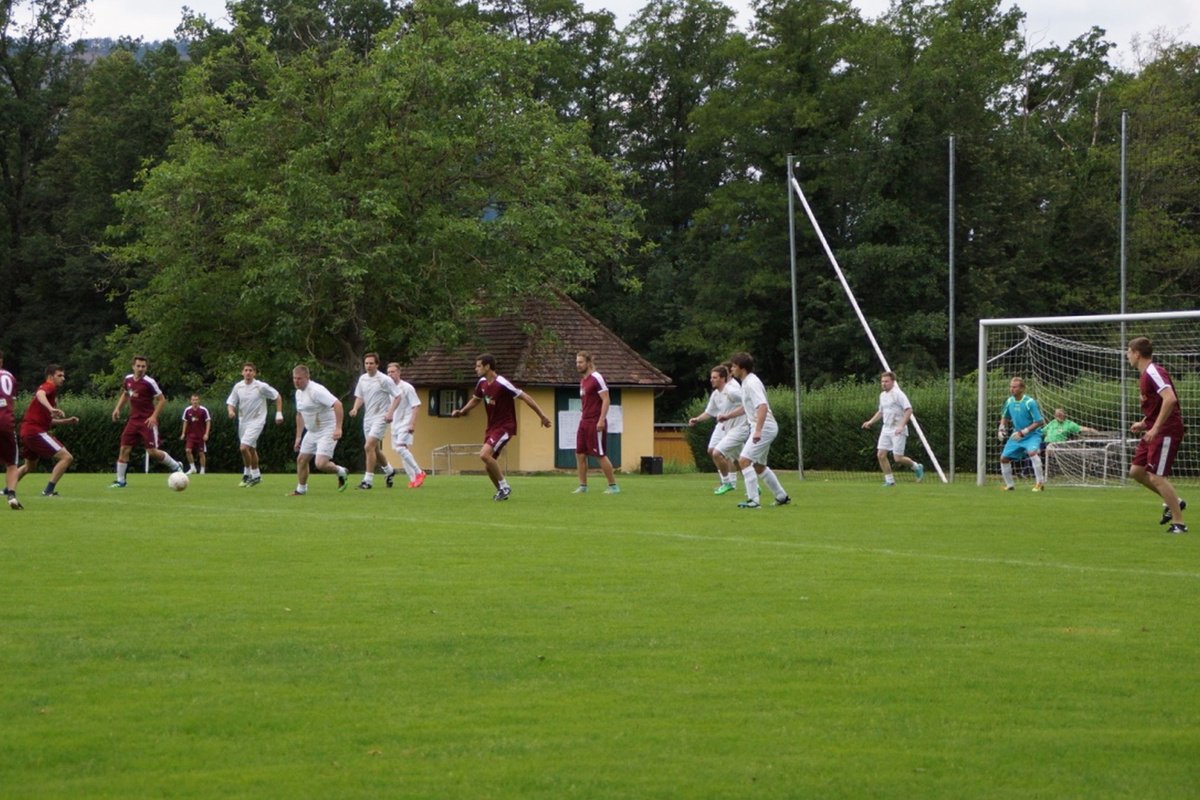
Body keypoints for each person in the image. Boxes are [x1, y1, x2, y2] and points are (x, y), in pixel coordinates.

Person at [449, 353, 551, 501]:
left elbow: (525, 397)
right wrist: (462, 411)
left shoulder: (502, 383)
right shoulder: (482, 383)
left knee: (484, 455)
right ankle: (501, 492)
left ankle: (505, 486)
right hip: (492, 427)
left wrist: (542, 416)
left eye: (478, 366)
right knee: (488, 465)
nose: (475, 369)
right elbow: (476, 400)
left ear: (487, 367)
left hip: (505, 426)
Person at [1126, 337, 1187, 534]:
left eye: (1129, 351)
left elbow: (1170, 399)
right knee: (1137, 471)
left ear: (1137, 354)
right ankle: (1175, 501)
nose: (1127, 355)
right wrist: (1144, 423)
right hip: (1154, 429)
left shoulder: (1154, 371)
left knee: (1156, 476)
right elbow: (1158, 406)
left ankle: (1179, 523)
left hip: (1165, 430)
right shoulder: (1145, 375)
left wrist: (1155, 428)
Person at [720, 352, 791, 509]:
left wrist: (758, 430)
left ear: (742, 368)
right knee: (759, 466)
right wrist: (727, 416)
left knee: (744, 461)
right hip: (763, 427)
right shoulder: (746, 382)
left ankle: (753, 501)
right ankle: (781, 496)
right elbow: (747, 408)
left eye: (734, 366)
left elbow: (762, 406)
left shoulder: (751, 383)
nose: (731, 369)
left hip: (764, 427)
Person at [110, 355, 186, 487]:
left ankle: (175, 465)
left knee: (152, 452)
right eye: (138, 366)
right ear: (133, 366)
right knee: (124, 449)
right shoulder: (128, 379)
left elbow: (162, 400)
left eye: (143, 366)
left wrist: (153, 417)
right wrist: (117, 409)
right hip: (133, 420)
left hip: (147, 422)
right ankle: (121, 481)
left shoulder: (149, 382)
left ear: (146, 368)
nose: (140, 368)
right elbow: (126, 394)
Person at [17, 364, 79, 497]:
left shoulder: (51, 394)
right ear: (51, 377)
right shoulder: (49, 386)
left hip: (27, 431)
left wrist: (67, 421)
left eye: (63, 375)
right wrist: (51, 409)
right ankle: (48, 490)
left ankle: (7, 489)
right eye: (59, 375)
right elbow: (40, 393)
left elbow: (47, 421)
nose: (63, 378)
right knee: (67, 457)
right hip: (35, 431)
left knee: (29, 466)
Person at [290, 364, 349, 496]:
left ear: (307, 377)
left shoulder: (316, 390)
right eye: (294, 378)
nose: (296, 381)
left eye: (299, 378)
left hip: (327, 429)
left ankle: (341, 471)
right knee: (301, 460)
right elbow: (299, 414)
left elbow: (338, 404)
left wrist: (338, 428)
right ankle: (301, 490)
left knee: (321, 464)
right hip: (312, 432)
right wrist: (298, 437)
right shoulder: (298, 393)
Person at [688, 364, 748, 495]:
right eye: (711, 377)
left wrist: (730, 416)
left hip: (738, 429)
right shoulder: (716, 394)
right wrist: (697, 419)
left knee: (717, 453)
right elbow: (709, 412)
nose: (711, 380)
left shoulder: (732, 391)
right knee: (738, 459)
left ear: (723, 378)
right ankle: (750, 484)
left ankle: (727, 483)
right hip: (726, 428)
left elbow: (748, 402)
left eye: (714, 377)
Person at [861, 371, 925, 486]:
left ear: (893, 382)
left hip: (897, 429)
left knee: (898, 458)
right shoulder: (882, 396)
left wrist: (901, 425)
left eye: (886, 381)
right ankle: (890, 481)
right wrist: (870, 422)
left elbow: (908, 410)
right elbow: (881, 412)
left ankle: (916, 467)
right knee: (881, 454)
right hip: (886, 429)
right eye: (882, 381)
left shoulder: (898, 394)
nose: (884, 384)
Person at [225, 363, 283, 486]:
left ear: (254, 373)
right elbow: (231, 402)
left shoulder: (261, 386)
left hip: (257, 421)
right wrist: (230, 411)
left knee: (243, 448)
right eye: (246, 370)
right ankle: (256, 476)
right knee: (251, 449)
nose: (248, 372)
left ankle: (247, 474)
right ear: (242, 372)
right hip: (243, 421)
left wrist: (279, 413)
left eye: (250, 370)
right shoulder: (238, 386)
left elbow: (277, 396)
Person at [348, 353, 398, 490]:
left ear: (377, 364)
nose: (368, 366)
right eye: (366, 363)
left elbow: (398, 396)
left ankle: (368, 481)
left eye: (371, 363)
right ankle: (389, 471)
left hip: (381, 417)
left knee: (368, 446)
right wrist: (355, 408)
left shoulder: (384, 379)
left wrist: (390, 412)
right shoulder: (363, 379)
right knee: (374, 449)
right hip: (368, 418)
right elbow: (360, 396)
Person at [573, 351, 619, 494]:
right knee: (580, 453)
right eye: (577, 362)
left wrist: (601, 420)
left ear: (588, 363)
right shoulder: (583, 381)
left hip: (595, 421)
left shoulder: (597, 378)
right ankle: (583, 486)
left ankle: (613, 486)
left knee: (599, 454)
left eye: (581, 362)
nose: (578, 365)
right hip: (584, 421)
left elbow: (606, 399)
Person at [997, 376, 1046, 491]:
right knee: (1004, 458)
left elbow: (1039, 421)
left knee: (1032, 452)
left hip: (1032, 435)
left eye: (1015, 387)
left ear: (1022, 389)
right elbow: (1005, 416)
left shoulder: (1030, 402)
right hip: (1017, 435)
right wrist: (1001, 428)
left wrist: (1024, 432)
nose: (1012, 389)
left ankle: (1040, 483)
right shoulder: (1009, 401)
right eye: (1011, 387)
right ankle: (1010, 485)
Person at [384, 362, 426, 488]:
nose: (390, 374)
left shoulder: (407, 387)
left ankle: (419, 472)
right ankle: (414, 479)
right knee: (402, 452)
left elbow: (416, 405)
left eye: (393, 372)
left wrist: (412, 424)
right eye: (388, 372)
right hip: (395, 424)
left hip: (406, 422)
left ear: (399, 372)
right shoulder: (388, 389)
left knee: (400, 448)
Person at [0, 349, 23, 510]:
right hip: (6, 422)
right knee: (11, 463)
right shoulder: (10, 376)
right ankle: (12, 496)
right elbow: (11, 404)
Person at [181, 393, 212, 475]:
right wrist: (183, 433)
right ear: (191, 401)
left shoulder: (203, 410)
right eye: (193, 400)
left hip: (201, 435)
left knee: (201, 453)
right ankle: (192, 468)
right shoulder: (187, 410)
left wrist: (206, 434)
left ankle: (202, 470)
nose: (195, 401)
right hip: (190, 435)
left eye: (196, 400)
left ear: (199, 400)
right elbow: (185, 421)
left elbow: (208, 421)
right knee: (188, 450)